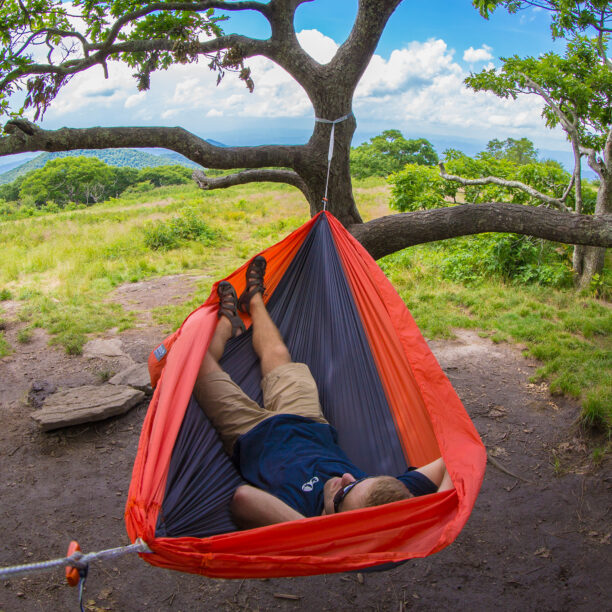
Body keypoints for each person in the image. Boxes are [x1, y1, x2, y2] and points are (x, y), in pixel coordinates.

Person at [193, 256, 453, 529]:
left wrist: (317, 529)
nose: (345, 478)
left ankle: (224, 326)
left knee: (197, 366)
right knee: (279, 355)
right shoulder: (385, 497)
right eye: (359, 479)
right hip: (307, 422)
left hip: (252, 433)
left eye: (344, 493)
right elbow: (455, 459)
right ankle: (254, 300)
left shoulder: (301, 511)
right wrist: (436, 518)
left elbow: (242, 498)